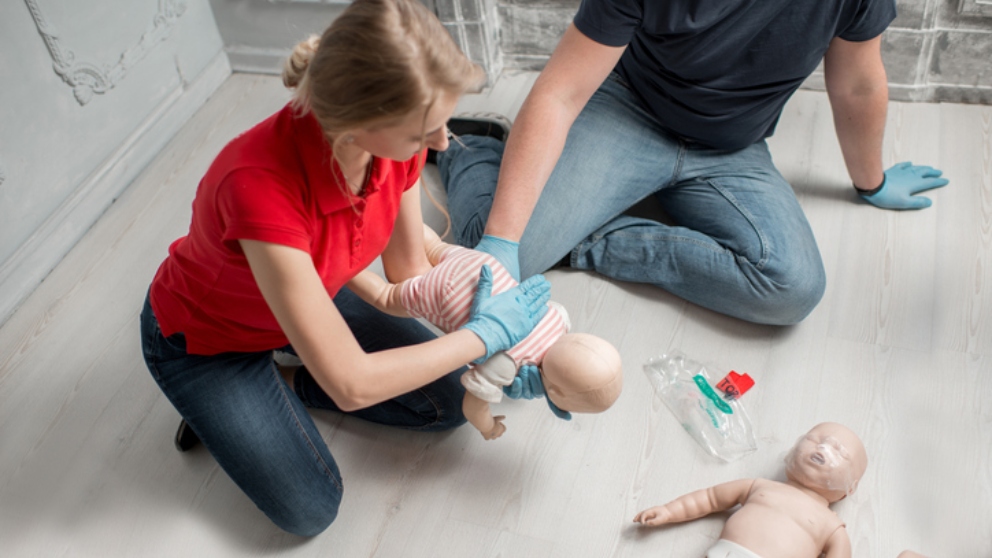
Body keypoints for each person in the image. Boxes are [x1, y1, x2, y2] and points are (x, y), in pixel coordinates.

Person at [138, 0, 553, 537]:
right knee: (311, 508)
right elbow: (354, 387)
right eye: (422, 131)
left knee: (448, 404)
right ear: (356, 127)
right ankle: (224, 399)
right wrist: (485, 334)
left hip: (316, 286)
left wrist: (500, 338)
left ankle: (289, 376)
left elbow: (404, 271)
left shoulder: (392, 148)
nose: (443, 143)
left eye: (443, 120)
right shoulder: (257, 187)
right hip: (208, 344)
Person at [435, 0, 950, 331]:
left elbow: (857, 83)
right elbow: (561, 93)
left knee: (791, 290)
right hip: (628, 111)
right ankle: (474, 148)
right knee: (483, 265)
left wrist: (872, 182)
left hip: (732, 150)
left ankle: (586, 239)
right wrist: (505, 243)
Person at [347, 224, 624, 439]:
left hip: (479, 267)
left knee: (434, 246)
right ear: (555, 392)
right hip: (444, 293)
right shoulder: (507, 366)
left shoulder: (558, 318)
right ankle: (339, 265)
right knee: (385, 296)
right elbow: (473, 406)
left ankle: (389, 211)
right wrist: (488, 426)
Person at [633, 422, 869, 558]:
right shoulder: (759, 487)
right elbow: (709, 498)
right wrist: (668, 511)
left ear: (849, 489)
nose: (824, 448)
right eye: (816, 439)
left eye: (841, 453)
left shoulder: (831, 526)